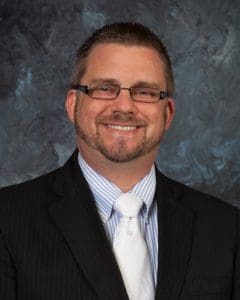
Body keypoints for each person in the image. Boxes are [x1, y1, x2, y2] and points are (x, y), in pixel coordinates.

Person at [0, 22, 239, 300]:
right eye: (104, 88)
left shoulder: (226, 228)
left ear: (168, 114)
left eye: (145, 92)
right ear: (73, 105)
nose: (124, 107)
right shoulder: (7, 219)